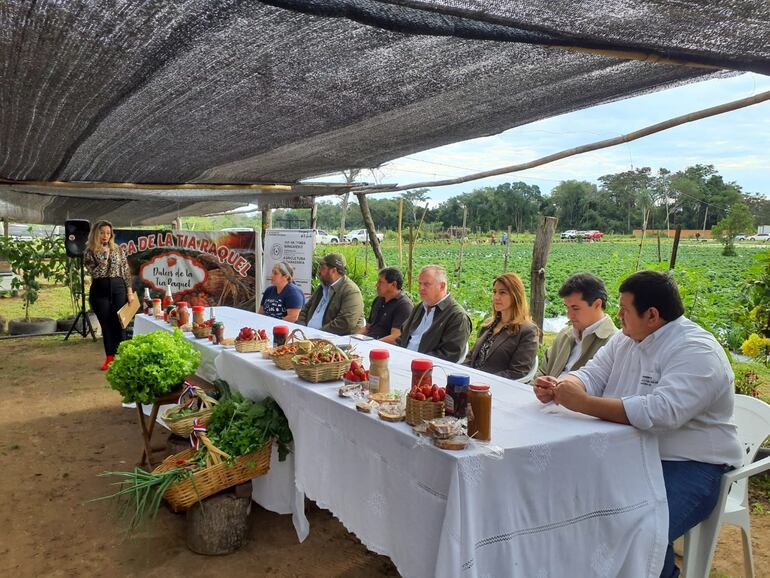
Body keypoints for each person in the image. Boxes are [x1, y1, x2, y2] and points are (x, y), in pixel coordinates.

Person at [533, 271, 742, 578]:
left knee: (640, 528)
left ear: (653, 315)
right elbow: (592, 374)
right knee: (568, 499)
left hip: (690, 465)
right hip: (629, 452)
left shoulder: (697, 351)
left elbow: (662, 412)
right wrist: (563, 385)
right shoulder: (626, 338)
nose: (617, 316)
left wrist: (584, 403)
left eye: (625, 310)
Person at [536, 272, 617, 379]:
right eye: (567, 307)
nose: (569, 315)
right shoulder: (565, 335)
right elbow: (542, 372)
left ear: (597, 304)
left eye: (575, 308)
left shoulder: (614, 343)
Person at [463, 273, 538, 380]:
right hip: (471, 381)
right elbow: (470, 358)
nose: (496, 297)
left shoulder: (528, 331)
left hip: (495, 388)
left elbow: (517, 372)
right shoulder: (488, 325)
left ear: (516, 295)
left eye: (502, 292)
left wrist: (482, 380)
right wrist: (460, 373)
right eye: (494, 292)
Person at [83, 220, 135, 370]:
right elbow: (94, 272)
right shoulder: (89, 251)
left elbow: (125, 271)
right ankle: (110, 357)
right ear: (95, 233)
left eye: (108, 233)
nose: (105, 236)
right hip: (100, 290)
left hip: (119, 288)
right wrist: (104, 260)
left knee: (120, 323)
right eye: (102, 233)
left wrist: (130, 292)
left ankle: (123, 357)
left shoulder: (118, 249)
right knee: (106, 325)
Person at [397, 265, 471, 362]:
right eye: (420, 284)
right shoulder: (419, 308)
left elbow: (449, 355)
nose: (421, 288)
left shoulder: (457, 316)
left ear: (442, 286)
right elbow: (402, 338)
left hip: (427, 369)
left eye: (427, 284)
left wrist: (416, 361)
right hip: (403, 360)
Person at [298, 252, 363, 335]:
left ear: (333, 271)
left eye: (322, 267)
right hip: (308, 336)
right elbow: (305, 308)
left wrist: (317, 334)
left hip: (331, 341)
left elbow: (345, 322)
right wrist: (302, 327)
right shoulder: (322, 287)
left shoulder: (351, 291)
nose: (319, 270)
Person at [359, 267, 413, 344]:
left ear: (393, 284)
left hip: (384, 349)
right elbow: (367, 328)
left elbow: (396, 337)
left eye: (380, 282)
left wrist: (372, 344)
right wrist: (351, 337)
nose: (376, 285)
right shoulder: (378, 300)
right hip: (369, 342)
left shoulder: (404, 306)